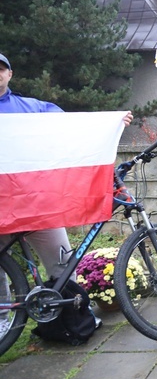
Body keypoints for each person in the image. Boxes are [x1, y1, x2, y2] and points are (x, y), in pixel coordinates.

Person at [0, 52, 133, 283]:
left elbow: (70, 126)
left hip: (35, 205)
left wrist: (110, 125)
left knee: (63, 267)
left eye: (0, 69)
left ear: (9, 74)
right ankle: (3, 318)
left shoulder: (31, 108)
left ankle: (76, 314)